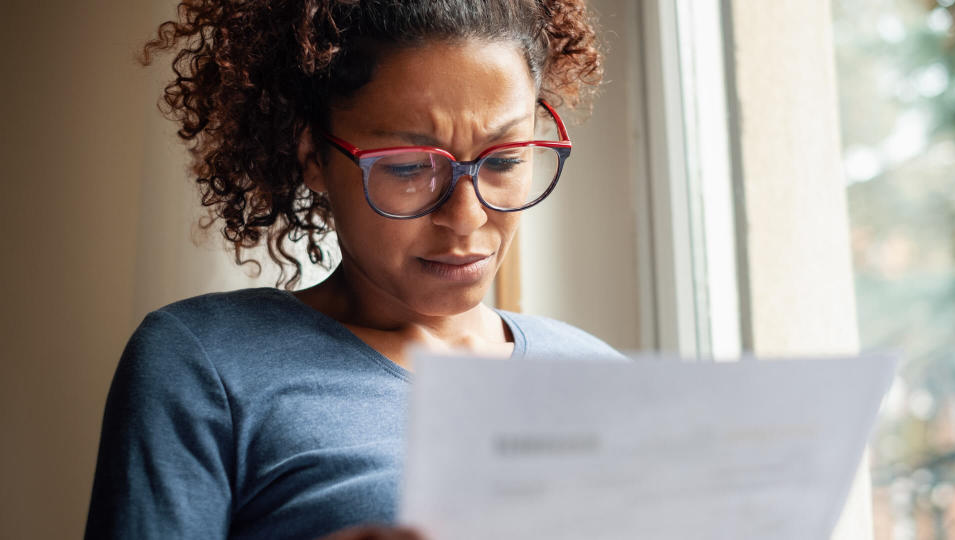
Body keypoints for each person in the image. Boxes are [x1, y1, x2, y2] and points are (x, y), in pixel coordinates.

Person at [84, 1, 619, 538]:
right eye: (409, 168)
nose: (467, 217)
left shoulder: (603, 378)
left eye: (504, 160)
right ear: (315, 156)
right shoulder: (206, 364)